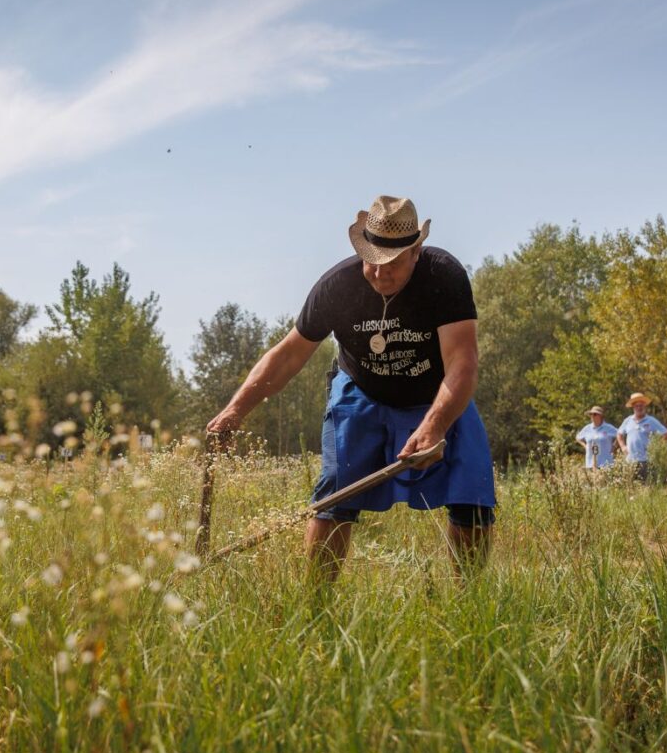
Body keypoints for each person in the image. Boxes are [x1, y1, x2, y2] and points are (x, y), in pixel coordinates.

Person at [207, 195, 495, 580]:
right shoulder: (337, 286)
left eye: (392, 263)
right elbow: (289, 355)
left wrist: (435, 425)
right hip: (362, 392)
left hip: (436, 396)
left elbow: (462, 363)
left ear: (416, 252)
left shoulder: (443, 277)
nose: (379, 273)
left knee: (472, 495)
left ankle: (469, 602)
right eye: (371, 261)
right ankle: (316, 603)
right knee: (333, 497)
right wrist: (234, 411)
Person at [616, 393, 667, 480]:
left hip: (647, 461)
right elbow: (619, 434)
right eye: (636, 406)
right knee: (631, 486)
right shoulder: (628, 420)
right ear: (633, 407)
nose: (639, 408)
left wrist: (656, 448)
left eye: (641, 405)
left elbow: (666, 434)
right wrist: (623, 447)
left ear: (644, 406)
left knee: (647, 485)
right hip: (630, 461)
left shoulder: (651, 420)